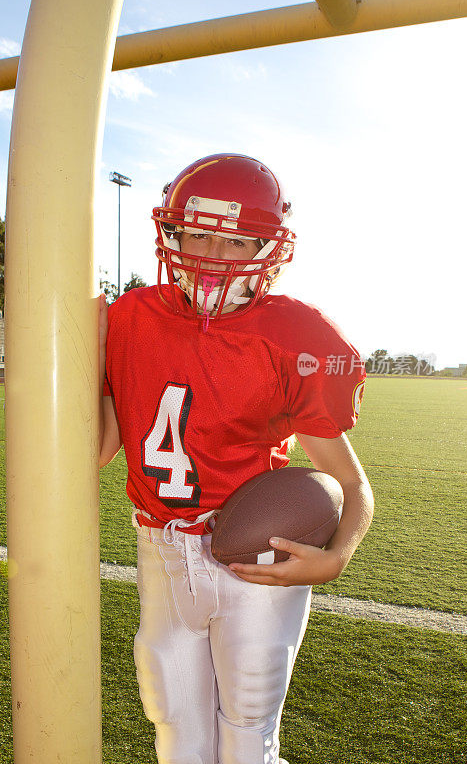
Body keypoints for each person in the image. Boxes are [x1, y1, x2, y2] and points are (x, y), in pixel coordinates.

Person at [99, 153, 373, 764]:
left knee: (247, 732)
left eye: (234, 241)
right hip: (161, 548)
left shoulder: (295, 334)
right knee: (175, 728)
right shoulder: (126, 319)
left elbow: (351, 484)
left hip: (253, 555)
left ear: (267, 248)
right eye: (197, 233)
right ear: (171, 232)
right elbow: (97, 448)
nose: (211, 255)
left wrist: (336, 556)